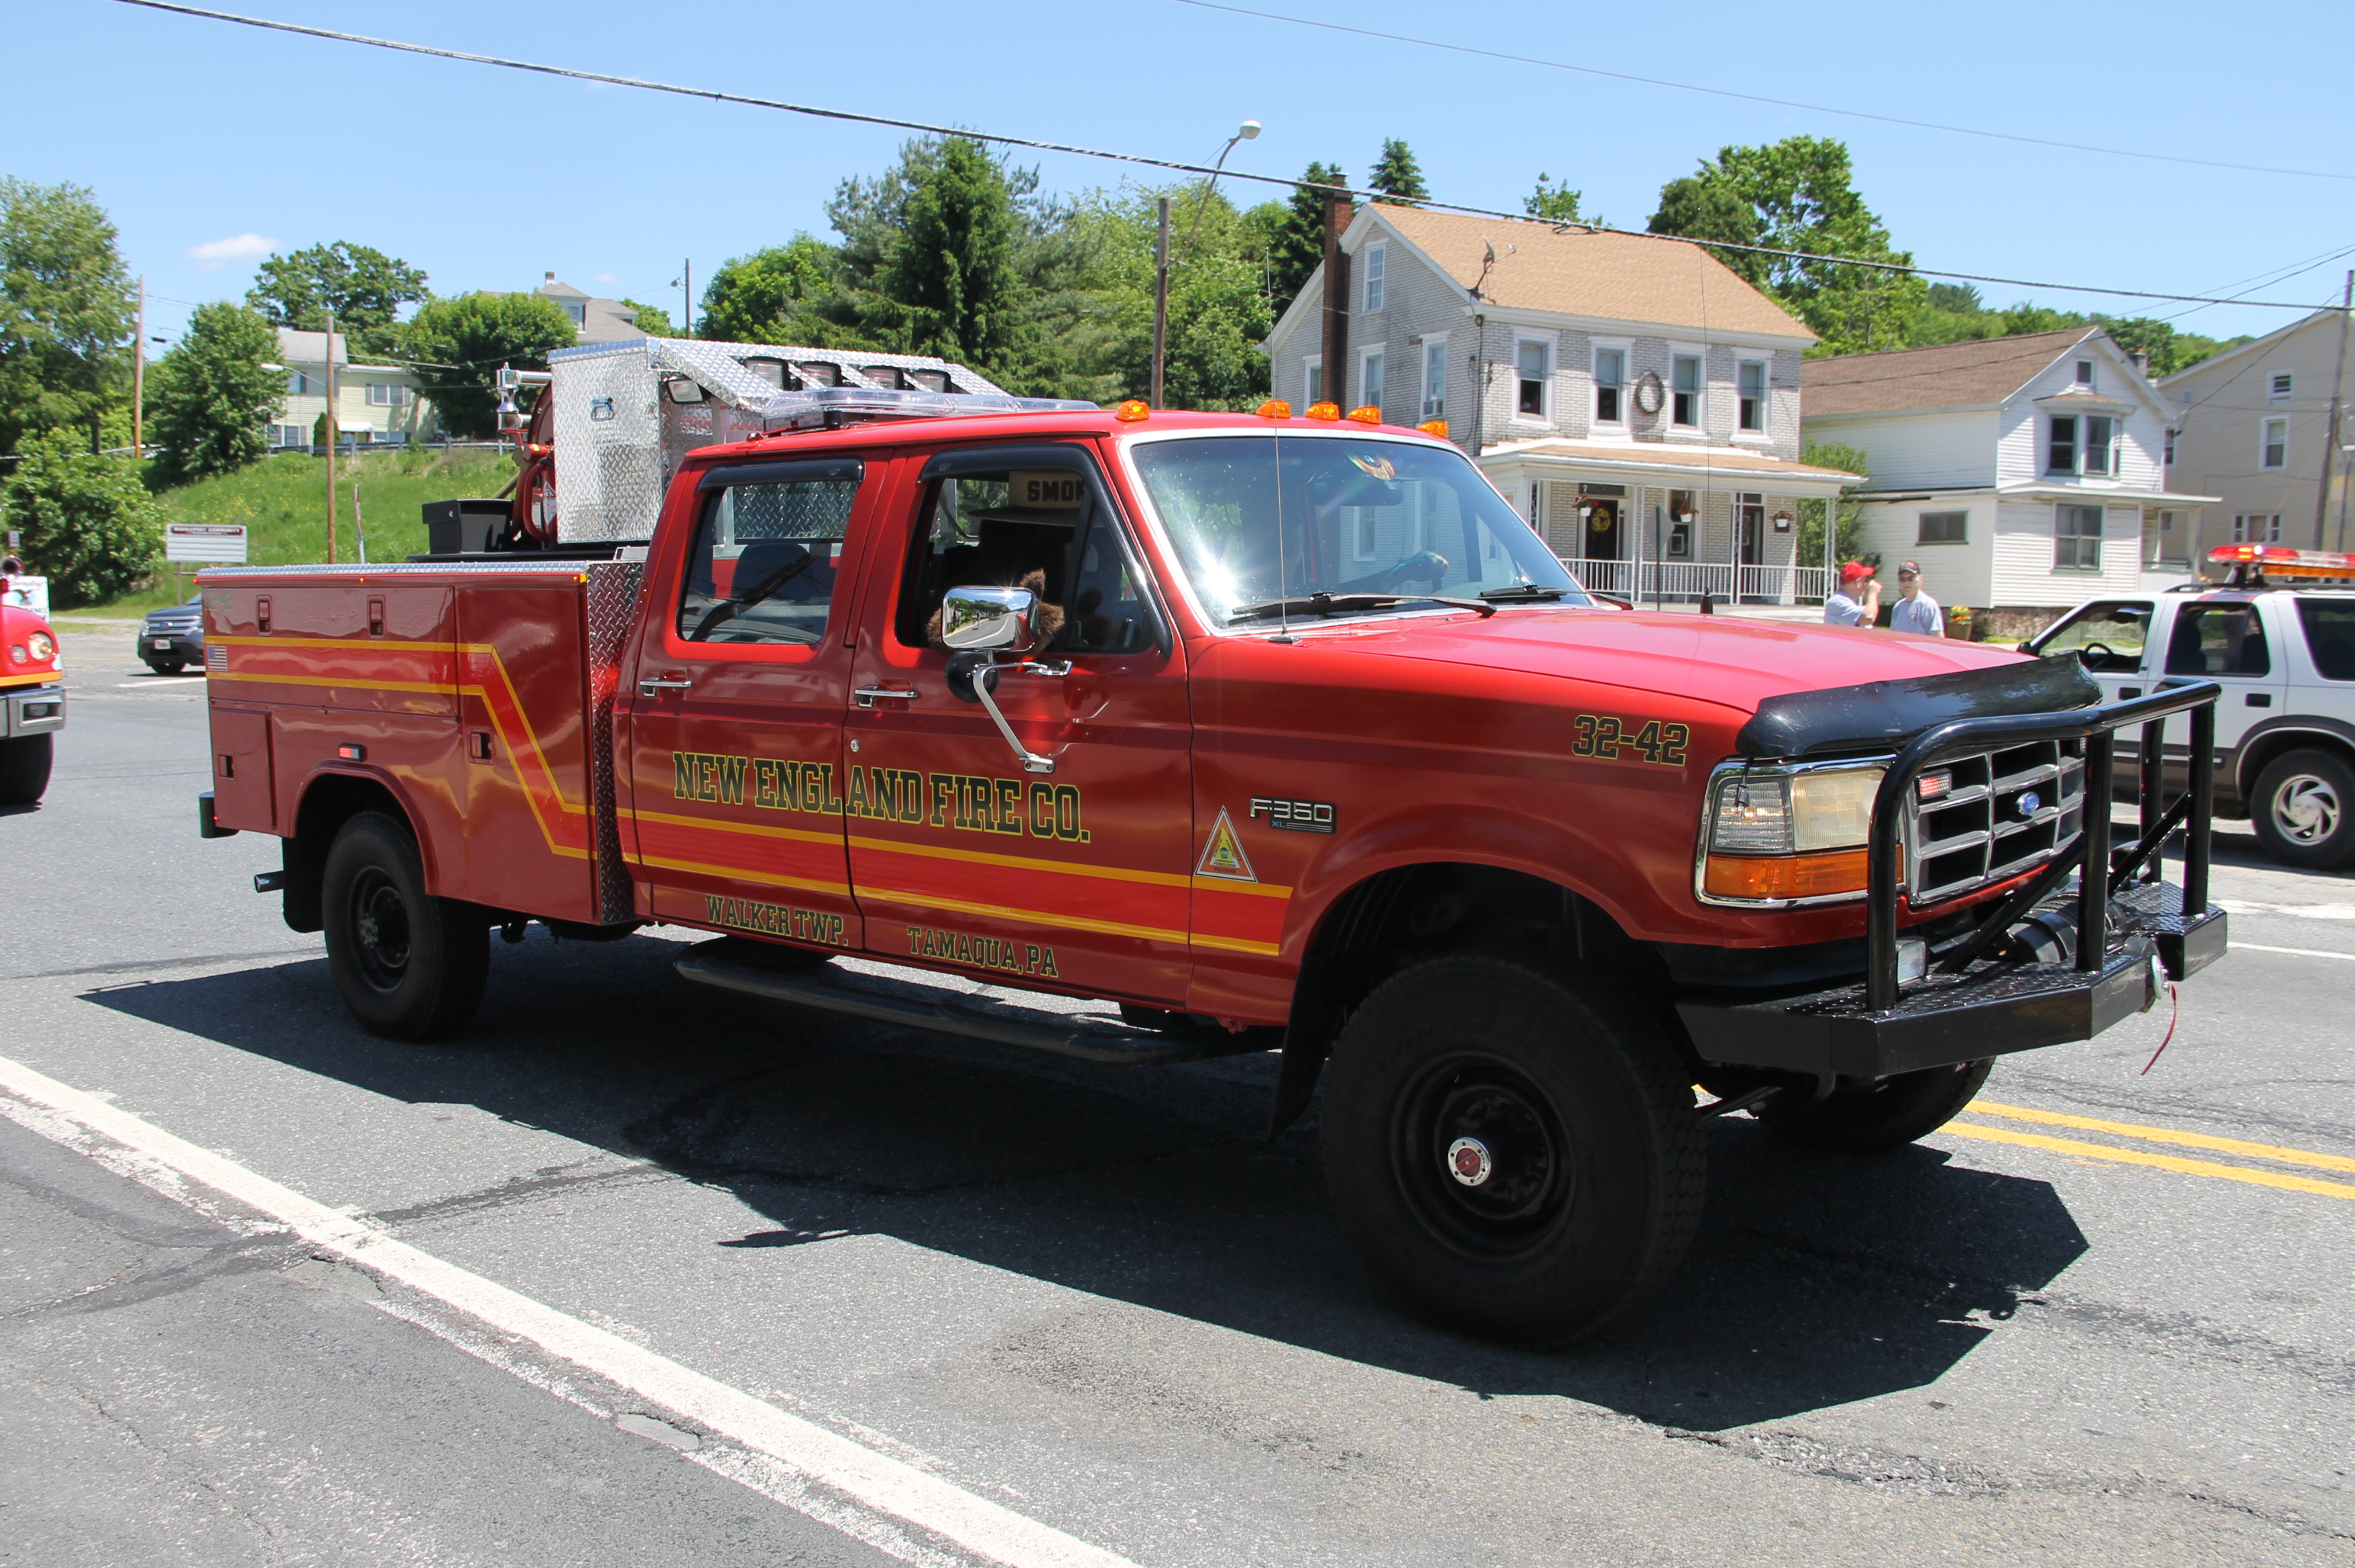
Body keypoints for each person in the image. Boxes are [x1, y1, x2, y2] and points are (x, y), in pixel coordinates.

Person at [1889, 560, 1944, 637]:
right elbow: (1893, 636)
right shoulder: (1898, 607)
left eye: (1911, 578)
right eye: (1902, 579)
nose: (1906, 583)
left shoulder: (1928, 605)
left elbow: (1938, 637)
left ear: (1920, 579)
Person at [1823, 561, 1881, 628]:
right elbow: (1868, 617)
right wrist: (1872, 593)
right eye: (1865, 581)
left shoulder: (1844, 601)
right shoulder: (1837, 602)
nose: (1866, 584)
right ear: (1858, 583)